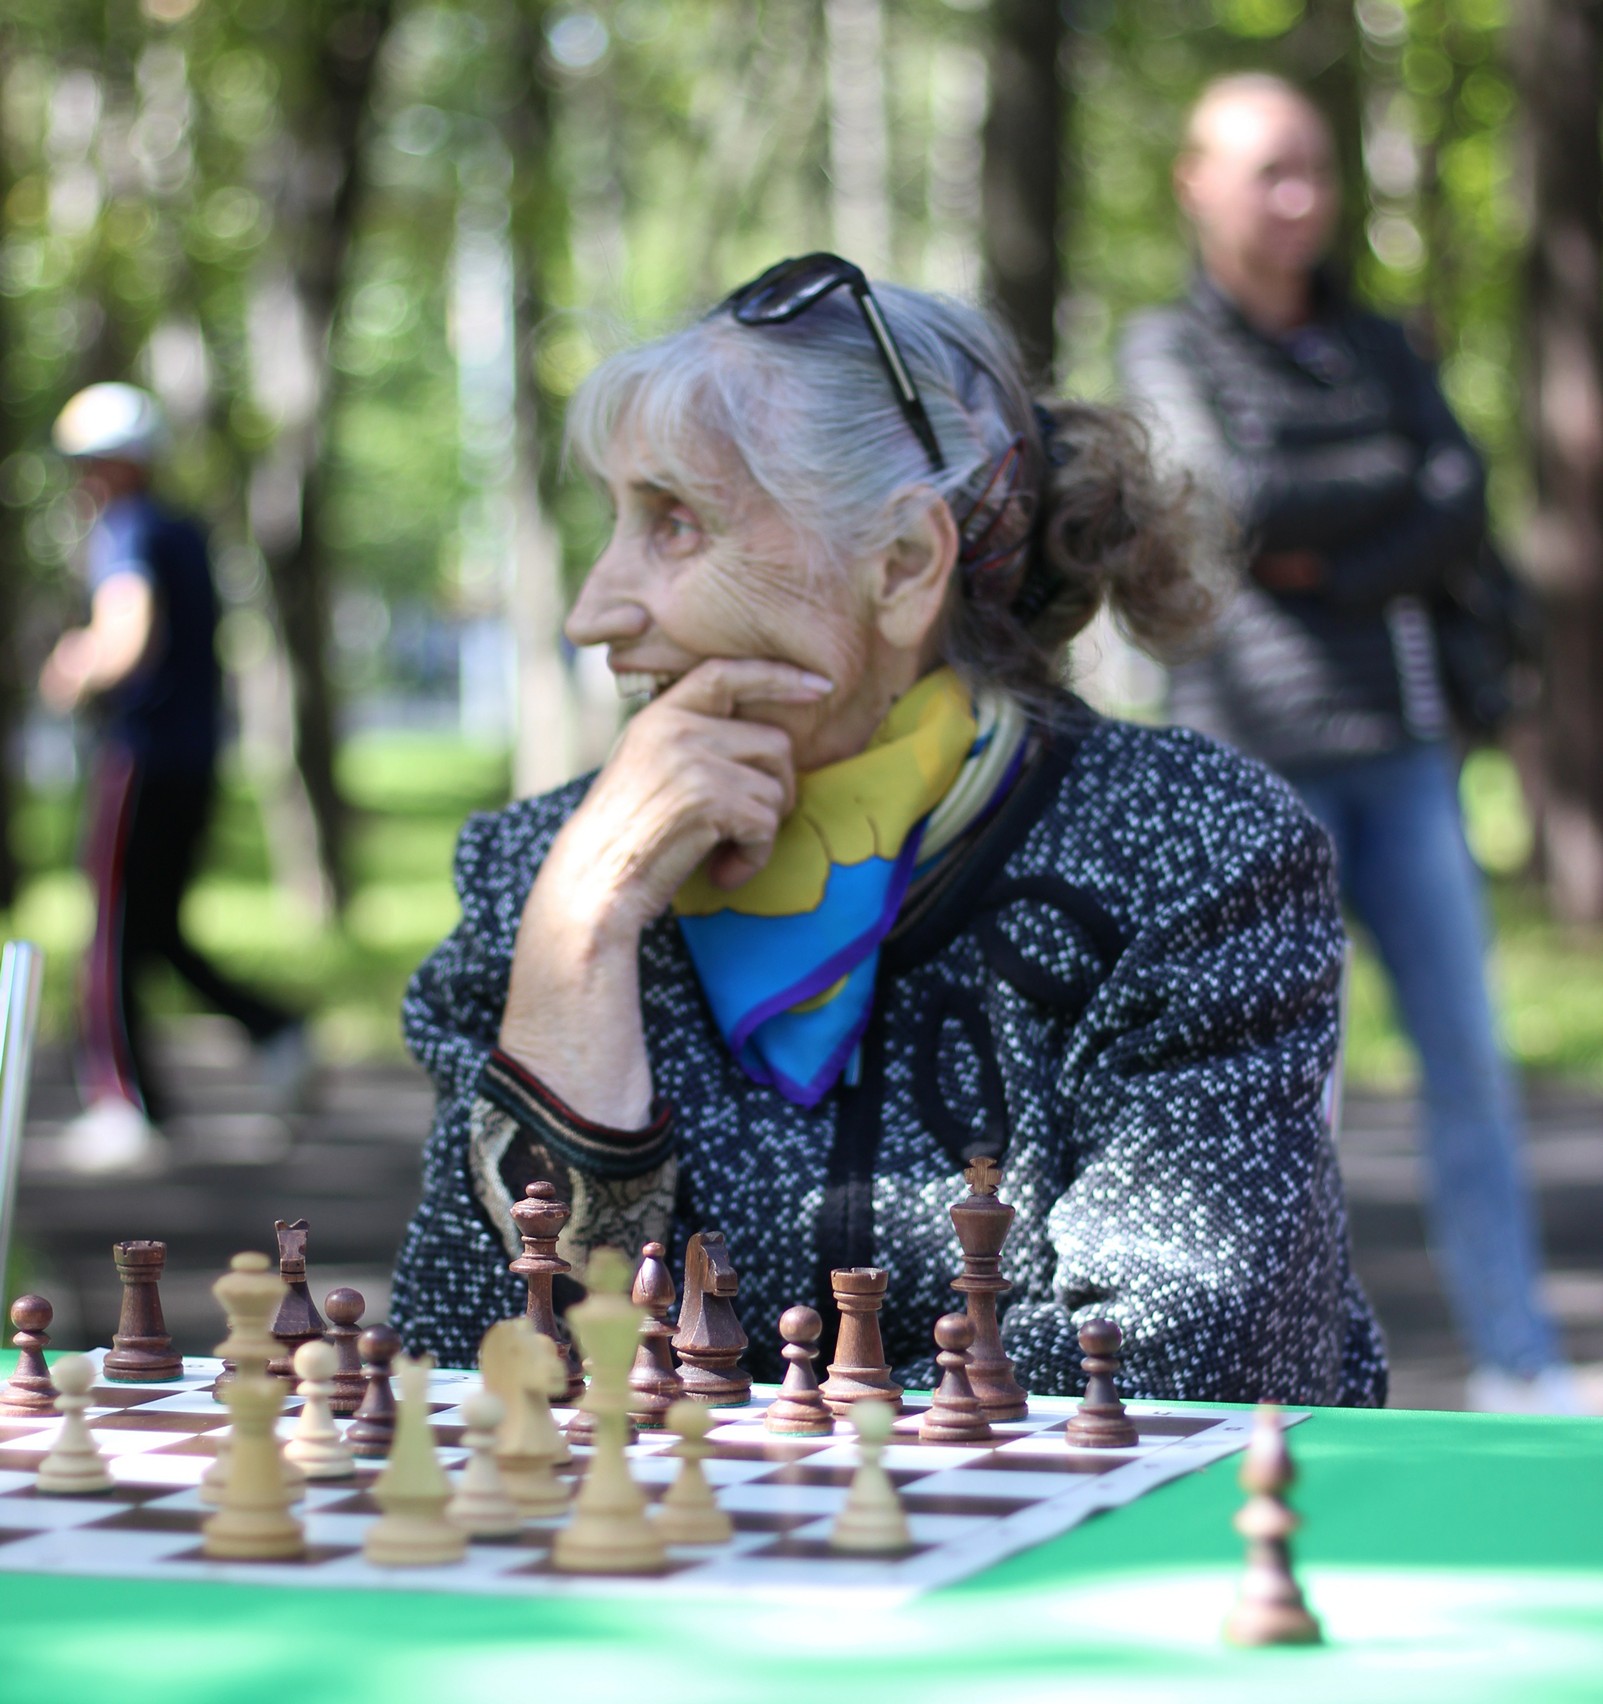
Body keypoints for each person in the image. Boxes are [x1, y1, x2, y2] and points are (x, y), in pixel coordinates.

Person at [391, 253, 1386, 1406]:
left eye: (672, 526)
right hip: (660, 1572)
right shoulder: (542, 873)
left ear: (903, 565)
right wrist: (578, 936)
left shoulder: (1191, 852)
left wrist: (758, 1452)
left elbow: (1177, 1364)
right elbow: (466, 1374)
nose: (594, 609)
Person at [1118, 74, 1580, 1414]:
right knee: (1276, 1092)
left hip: (1402, 745)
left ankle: (1516, 1362)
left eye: (1311, 167)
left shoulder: (1376, 344)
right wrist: (1372, 492)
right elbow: (1236, 503)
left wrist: (1327, 540)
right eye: (1266, 170)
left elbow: (1461, 495)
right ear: (1193, 183)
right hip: (1253, 760)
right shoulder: (1164, 349)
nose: (1297, 196)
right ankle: (1283, 1378)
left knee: (1467, 1069)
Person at [40, 383, 309, 1174]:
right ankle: (273, 1029)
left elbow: (129, 634)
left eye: (91, 462)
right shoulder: (183, 531)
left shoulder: (127, 530)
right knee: (155, 926)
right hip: (191, 757)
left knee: (114, 931)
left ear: (124, 462)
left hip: (143, 757)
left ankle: (123, 1102)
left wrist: (75, 667)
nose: (82, 478)